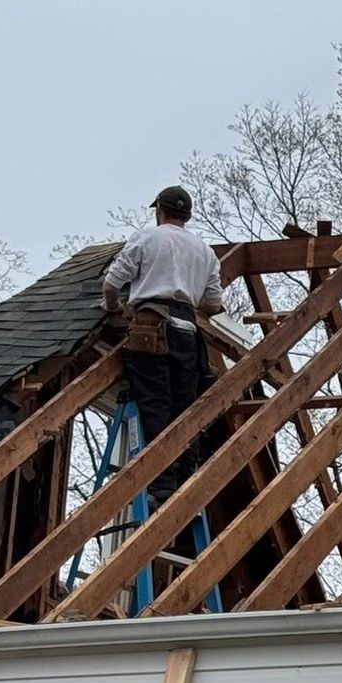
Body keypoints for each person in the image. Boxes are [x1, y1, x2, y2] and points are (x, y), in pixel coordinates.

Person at [101, 186, 225, 501]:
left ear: (159, 211)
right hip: (188, 333)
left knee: (154, 404)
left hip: (150, 329)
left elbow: (112, 284)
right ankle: (184, 480)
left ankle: (161, 483)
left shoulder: (147, 239)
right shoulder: (204, 251)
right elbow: (212, 304)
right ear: (187, 215)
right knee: (184, 408)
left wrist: (115, 309)